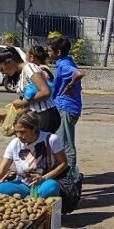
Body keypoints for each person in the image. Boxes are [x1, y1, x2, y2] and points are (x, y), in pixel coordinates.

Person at [0, 111, 68, 199]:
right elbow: (1, 171)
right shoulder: (14, 143)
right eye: (16, 132)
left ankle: (38, 201)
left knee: (51, 187)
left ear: (34, 128)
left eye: (23, 132)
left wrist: (44, 178)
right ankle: (29, 198)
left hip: (44, 183)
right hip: (22, 184)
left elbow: (63, 164)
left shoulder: (51, 140)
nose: (19, 135)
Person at [0, 47, 61, 133]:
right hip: (35, 115)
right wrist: (8, 114)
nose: (2, 73)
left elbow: (45, 91)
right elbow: (27, 98)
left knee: (37, 144)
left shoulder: (29, 68)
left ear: (9, 62)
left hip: (44, 114)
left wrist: (23, 102)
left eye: (1, 69)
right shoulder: (21, 74)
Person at [47, 36, 85, 177]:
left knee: (65, 143)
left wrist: (70, 85)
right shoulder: (64, 62)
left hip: (66, 108)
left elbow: (79, 74)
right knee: (60, 140)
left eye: (50, 51)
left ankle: (71, 176)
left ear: (57, 52)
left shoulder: (64, 65)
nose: (48, 53)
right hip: (64, 107)